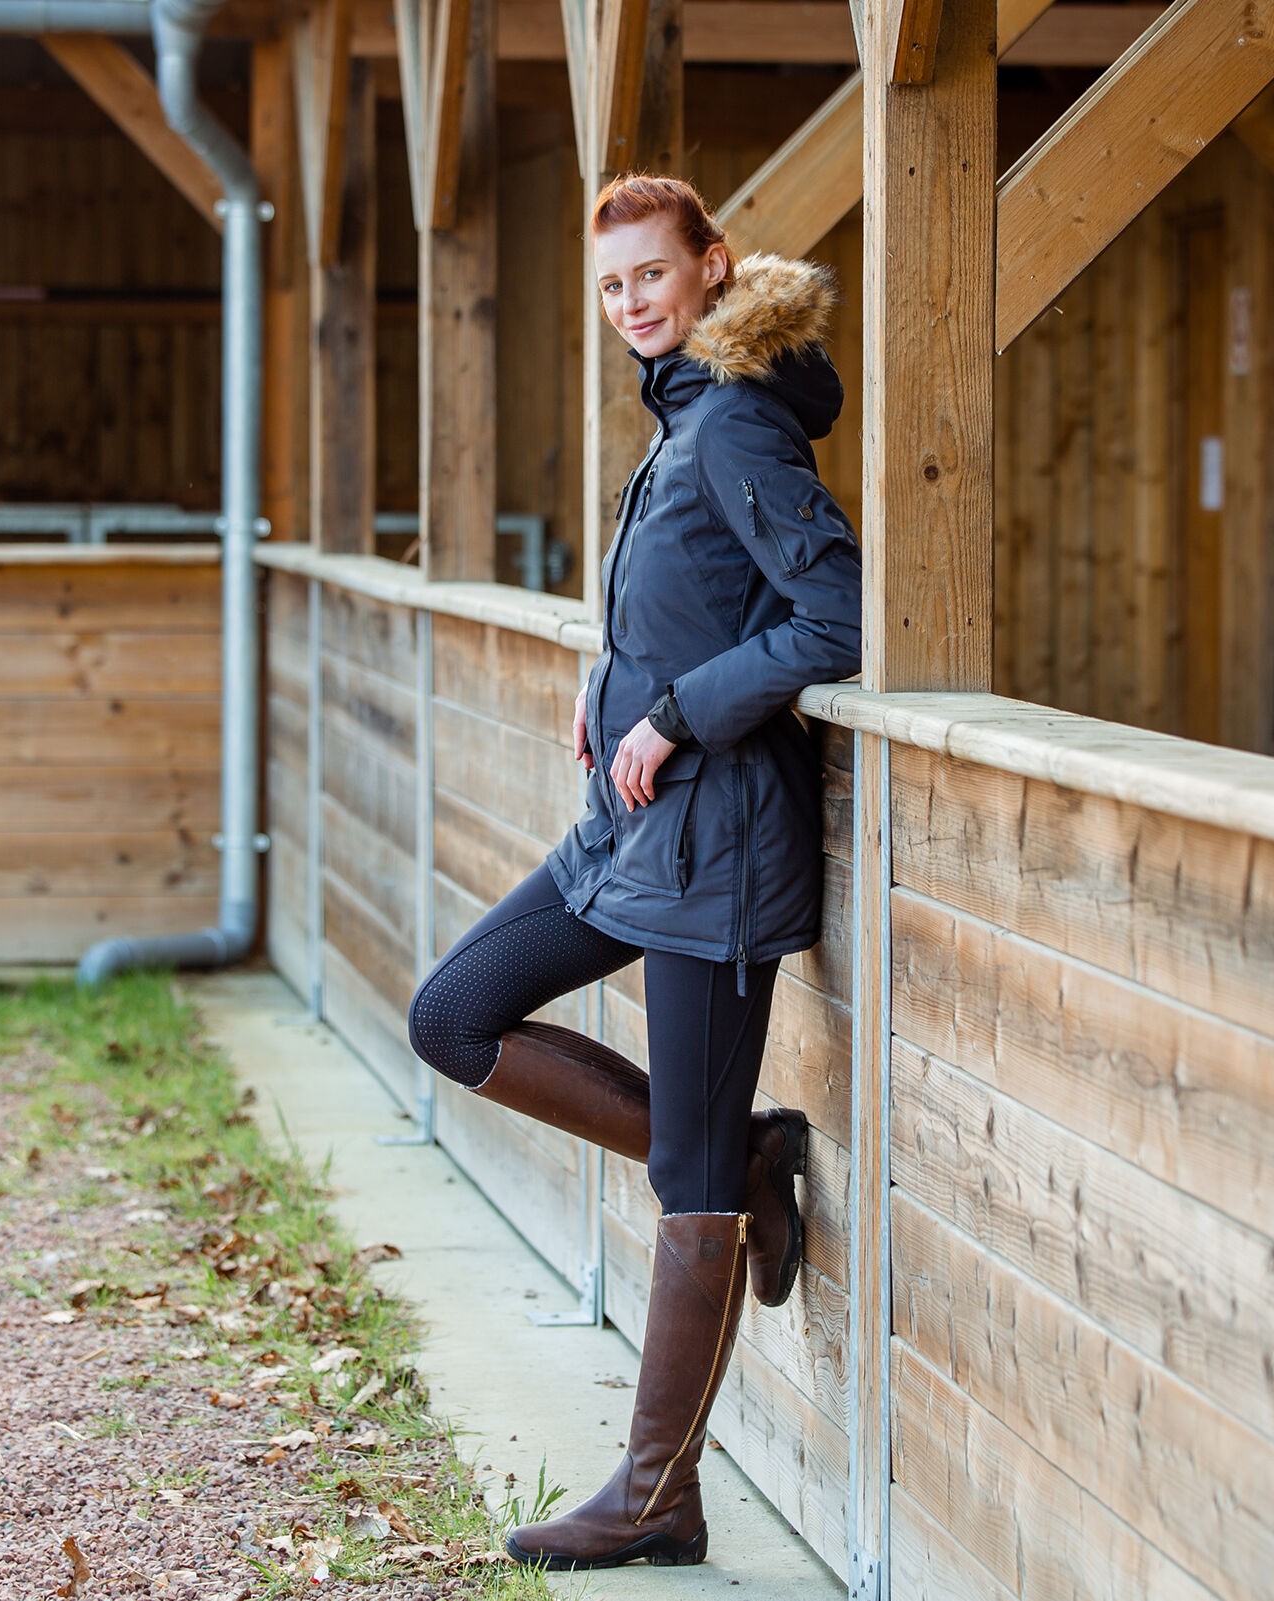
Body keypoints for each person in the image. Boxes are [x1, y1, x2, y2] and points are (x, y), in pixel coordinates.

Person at [406, 173, 863, 1571]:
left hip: (713, 850)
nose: (630, 304)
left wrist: (674, 713)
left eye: (651, 276)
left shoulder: (727, 420)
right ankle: (743, 1149)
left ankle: (656, 1489)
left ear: (713, 268)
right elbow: (698, 599)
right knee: (453, 1014)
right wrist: (615, 689)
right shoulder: (684, 416)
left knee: (682, 1185)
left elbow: (830, 613)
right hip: (629, 831)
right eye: (611, 286)